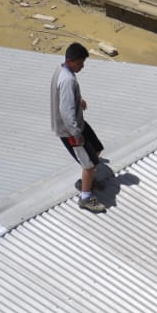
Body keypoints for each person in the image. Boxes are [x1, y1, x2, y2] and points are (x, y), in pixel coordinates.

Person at [51, 42, 107, 214]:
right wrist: (76, 134)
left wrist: (79, 99)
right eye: (80, 63)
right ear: (70, 60)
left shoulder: (62, 70)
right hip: (71, 130)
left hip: (78, 123)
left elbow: (66, 99)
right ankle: (86, 198)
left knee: (97, 148)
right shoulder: (67, 80)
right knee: (89, 166)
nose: (82, 67)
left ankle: (86, 182)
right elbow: (66, 111)